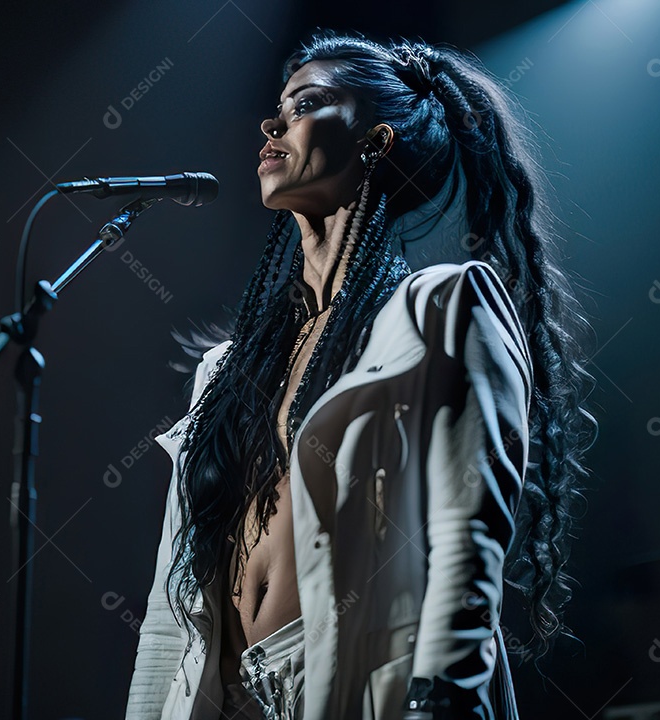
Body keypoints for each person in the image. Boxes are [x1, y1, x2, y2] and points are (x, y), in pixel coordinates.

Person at [125, 29, 596, 720]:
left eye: (307, 102)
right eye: (278, 104)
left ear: (374, 142)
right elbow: (169, 612)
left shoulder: (445, 309)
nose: (272, 122)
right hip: (224, 697)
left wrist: (442, 701)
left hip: (367, 691)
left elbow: (468, 550)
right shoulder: (225, 371)